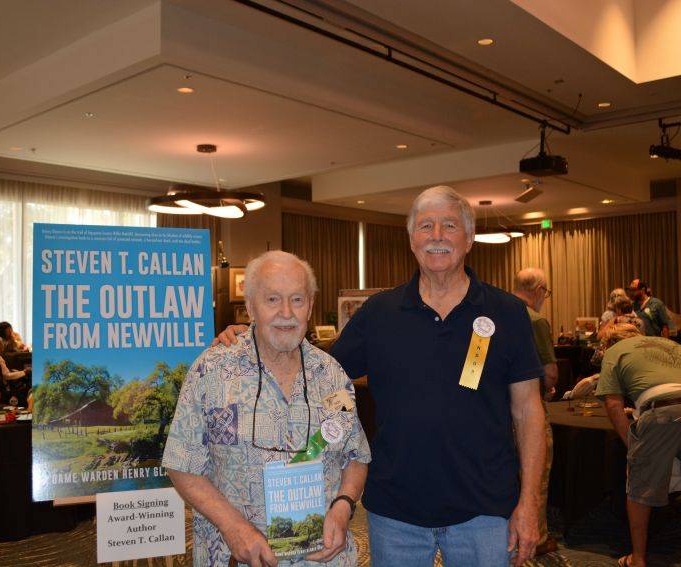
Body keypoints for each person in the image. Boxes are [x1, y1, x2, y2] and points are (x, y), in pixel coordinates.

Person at [216, 185, 546, 566]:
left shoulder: (506, 313)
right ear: (411, 239)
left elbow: (528, 412)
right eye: (425, 226)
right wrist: (253, 336)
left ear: (469, 238)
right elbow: (318, 371)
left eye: (449, 226)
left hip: (485, 512)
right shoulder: (379, 313)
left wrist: (529, 502)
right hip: (395, 512)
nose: (436, 236)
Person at [163, 251, 371, 567]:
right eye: (272, 299)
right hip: (239, 556)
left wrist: (344, 507)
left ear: (311, 306)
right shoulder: (213, 372)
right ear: (250, 307)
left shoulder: (332, 377)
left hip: (323, 558)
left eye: (297, 300)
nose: (285, 312)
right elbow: (181, 464)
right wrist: (233, 527)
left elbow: (354, 455)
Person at [595, 325, 681, 567]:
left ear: (607, 344)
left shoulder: (615, 351)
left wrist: (633, 445)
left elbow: (613, 404)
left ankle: (638, 559)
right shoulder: (670, 344)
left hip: (666, 411)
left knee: (640, 488)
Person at [512, 267, 558, 556]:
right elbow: (550, 373)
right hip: (527, 409)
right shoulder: (536, 320)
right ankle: (537, 538)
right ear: (539, 289)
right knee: (536, 472)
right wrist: (548, 387)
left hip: (493, 412)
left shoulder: (490, 314)